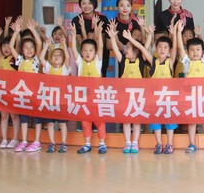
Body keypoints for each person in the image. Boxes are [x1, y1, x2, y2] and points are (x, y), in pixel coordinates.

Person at [128, 26, 178, 154]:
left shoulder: (170, 61)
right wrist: (130, 39)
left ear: (169, 50)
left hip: (168, 98)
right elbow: (141, 48)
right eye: (160, 47)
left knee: (170, 122)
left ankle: (169, 144)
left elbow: (175, 47)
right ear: (156, 48)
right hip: (155, 99)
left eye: (165, 47)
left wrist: (174, 33)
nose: (162, 49)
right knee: (156, 122)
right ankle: (159, 143)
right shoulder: (153, 61)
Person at [107, 20, 153, 154]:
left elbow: (144, 46)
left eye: (128, 48)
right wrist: (112, 38)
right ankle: (127, 142)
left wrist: (148, 34)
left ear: (136, 51)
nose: (125, 49)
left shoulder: (141, 61)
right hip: (125, 96)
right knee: (126, 121)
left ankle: (135, 142)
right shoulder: (123, 61)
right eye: (126, 47)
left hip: (138, 96)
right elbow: (116, 50)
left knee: (136, 121)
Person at [176, 17, 204, 154]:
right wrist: (178, 32)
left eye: (198, 49)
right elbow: (180, 47)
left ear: (202, 51)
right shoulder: (186, 62)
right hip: (191, 96)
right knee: (192, 122)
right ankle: (192, 144)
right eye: (192, 50)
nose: (195, 52)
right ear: (188, 51)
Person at [70, 15, 108, 154]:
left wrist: (99, 32)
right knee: (85, 121)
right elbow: (73, 48)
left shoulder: (98, 61)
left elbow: (101, 46)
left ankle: (102, 143)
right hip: (84, 97)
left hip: (97, 97)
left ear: (95, 52)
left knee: (99, 121)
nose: (87, 53)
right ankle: (87, 144)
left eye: (91, 50)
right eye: (85, 50)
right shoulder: (80, 62)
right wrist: (73, 35)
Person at [8, 17, 42, 152]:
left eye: (31, 47)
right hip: (22, 93)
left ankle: (37, 141)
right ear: (22, 50)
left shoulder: (36, 60)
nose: (29, 50)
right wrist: (16, 32)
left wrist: (33, 31)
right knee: (24, 117)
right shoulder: (20, 59)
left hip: (34, 93)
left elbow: (39, 44)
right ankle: (24, 141)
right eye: (26, 47)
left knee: (37, 117)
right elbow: (11, 47)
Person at [0, 18, 21, 149]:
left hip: (13, 91)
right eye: (4, 46)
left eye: (8, 46)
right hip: (2, 91)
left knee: (14, 115)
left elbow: (17, 44)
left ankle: (15, 139)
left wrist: (17, 32)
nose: (6, 48)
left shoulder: (15, 58)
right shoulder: (1, 57)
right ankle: (4, 139)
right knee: (3, 115)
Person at [38, 38, 70, 153]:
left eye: (59, 55)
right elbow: (41, 58)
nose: (56, 57)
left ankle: (63, 143)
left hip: (61, 101)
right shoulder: (48, 68)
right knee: (50, 123)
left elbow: (68, 57)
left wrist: (64, 44)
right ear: (51, 58)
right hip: (49, 100)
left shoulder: (64, 69)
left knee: (62, 123)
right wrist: (46, 46)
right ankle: (52, 143)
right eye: (54, 55)